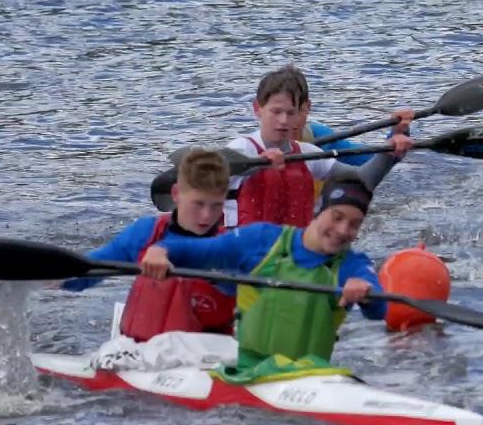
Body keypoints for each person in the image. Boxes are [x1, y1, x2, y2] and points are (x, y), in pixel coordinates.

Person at [140, 175, 387, 370]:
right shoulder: (262, 240)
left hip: (309, 377)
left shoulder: (351, 264)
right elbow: (201, 250)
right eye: (337, 217)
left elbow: (379, 308)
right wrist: (162, 249)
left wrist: (365, 292)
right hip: (249, 372)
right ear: (318, 210)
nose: (343, 230)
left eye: (354, 224)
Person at [60, 149, 237, 341]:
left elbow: (242, 289)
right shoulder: (145, 233)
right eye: (198, 204)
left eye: (216, 205)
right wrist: (54, 277)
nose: (206, 216)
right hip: (141, 351)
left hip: (210, 354)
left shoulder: (233, 246)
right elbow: (88, 273)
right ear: (176, 194)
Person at [225, 64, 415, 228]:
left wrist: (393, 145)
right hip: (243, 255)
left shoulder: (308, 154)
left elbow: (363, 180)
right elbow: (200, 177)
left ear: (302, 111)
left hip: (292, 257)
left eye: (291, 113)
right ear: (258, 109)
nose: (283, 121)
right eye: (276, 111)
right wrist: (257, 165)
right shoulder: (241, 149)